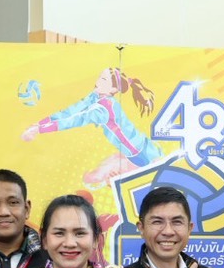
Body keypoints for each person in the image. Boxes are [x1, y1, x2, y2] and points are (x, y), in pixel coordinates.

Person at [21, 67, 162, 187]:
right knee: (104, 173)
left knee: (105, 177)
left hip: (142, 153)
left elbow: (74, 120)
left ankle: (107, 178)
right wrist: (40, 124)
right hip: (136, 150)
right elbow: (70, 112)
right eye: (100, 77)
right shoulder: (96, 96)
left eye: (103, 80)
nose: (98, 82)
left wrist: (40, 129)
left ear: (113, 89)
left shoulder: (103, 109)